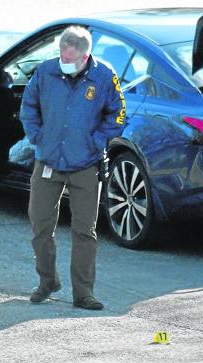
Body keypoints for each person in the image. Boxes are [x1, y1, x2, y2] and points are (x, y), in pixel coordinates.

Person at [19, 25, 126, 310]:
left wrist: (97, 141)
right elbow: (28, 106)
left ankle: (83, 293)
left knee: (84, 230)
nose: (63, 63)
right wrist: (38, 136)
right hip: (48, 160)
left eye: (69, 59)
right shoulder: (44, 72)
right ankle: (47, 281)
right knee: (39, 223)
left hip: (85, 164)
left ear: (85, 55)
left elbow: (118, 114)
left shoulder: (104, 76)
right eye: (61, 57)